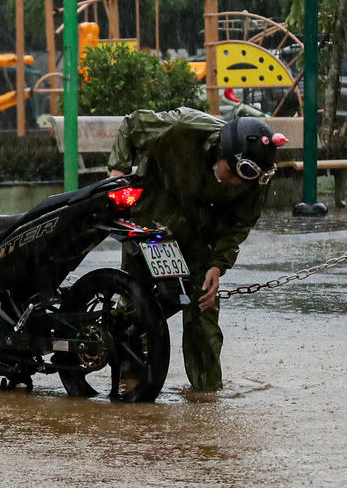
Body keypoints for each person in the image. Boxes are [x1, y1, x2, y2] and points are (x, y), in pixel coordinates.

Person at [107, 107, 286, 391]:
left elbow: (239, 225)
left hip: (198, 234)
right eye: (236, 173)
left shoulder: (254, 178)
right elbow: (132, 124)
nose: (238, 183)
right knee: (135, 308)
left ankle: (206, 395)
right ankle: (129, 388)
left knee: (203, 309)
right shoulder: (183, 128)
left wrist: (217, 265)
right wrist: (116, 176)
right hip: (150, 222)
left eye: (248, 178)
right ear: (223, 151)